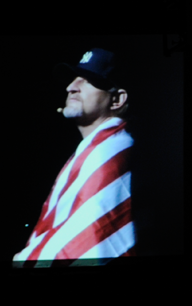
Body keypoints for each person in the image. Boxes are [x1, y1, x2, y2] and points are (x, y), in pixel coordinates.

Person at [13, 48, 135, 266]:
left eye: (88, 81)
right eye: (73, 79)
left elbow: (87, 244)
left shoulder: (111, 150)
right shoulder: (93, 149)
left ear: (117, 99)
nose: (71, 87)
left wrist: (27, 261)